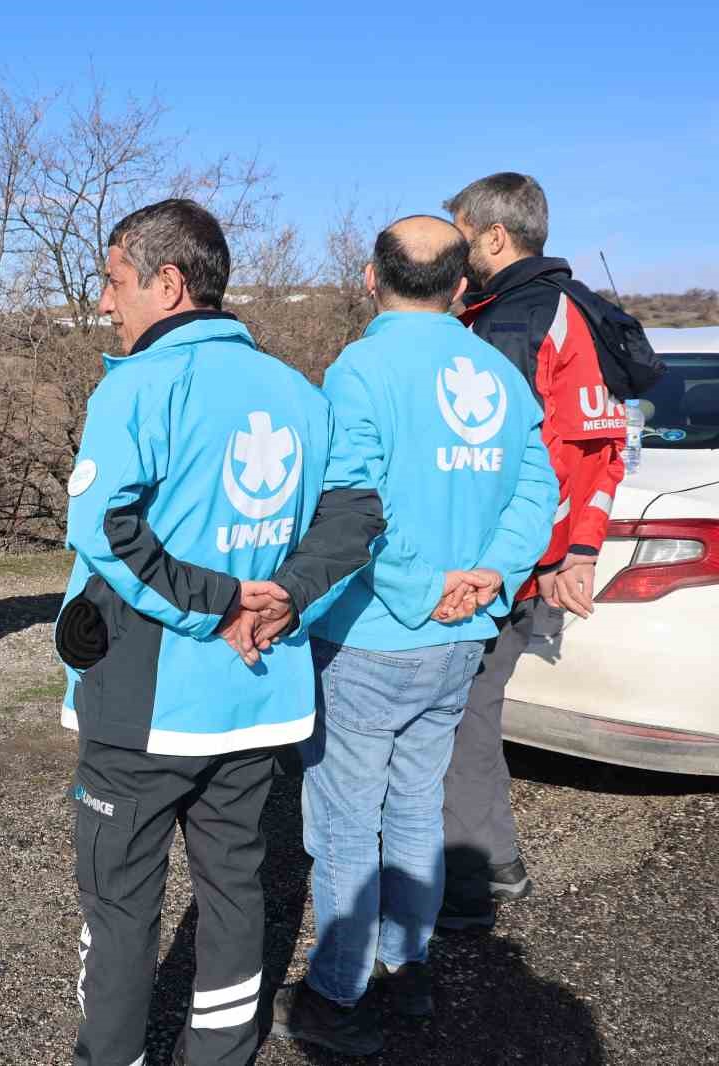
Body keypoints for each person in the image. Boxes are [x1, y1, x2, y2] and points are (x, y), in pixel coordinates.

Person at [53, 199, 384, 1066]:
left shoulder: (137, 385)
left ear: (168, 283)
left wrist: (228, 602)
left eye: (115, 280)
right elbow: (355, 512)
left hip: (146, 707)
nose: (104, 301)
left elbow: (105, 531)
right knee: (236, 892)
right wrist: (286, 598)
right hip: (260, 699)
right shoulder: (296, 389)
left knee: (119, 904)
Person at [270, 218, 557, 1056]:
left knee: (348, 820)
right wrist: (491, 576)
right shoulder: (498, 371)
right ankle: (411, 967)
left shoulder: (359, 369)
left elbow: (352, 499)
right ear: (462, 285)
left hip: (371, 635)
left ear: (370, 279)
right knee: (415, 804)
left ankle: (339, 993)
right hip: (460, 635)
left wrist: (414, 588)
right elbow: (536, 493)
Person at [440, 173, 627, 927]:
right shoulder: (585, 310)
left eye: (461, 234)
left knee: (457, 712)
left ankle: (467, 885)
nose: (455, 250)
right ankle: (498, 860)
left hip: (506, 561)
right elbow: (605, 452)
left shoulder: (516, 320)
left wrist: (530, 560)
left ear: (493, 237)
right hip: (541, 556)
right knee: (477, 710)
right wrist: (579, 548)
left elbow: (501, 456)